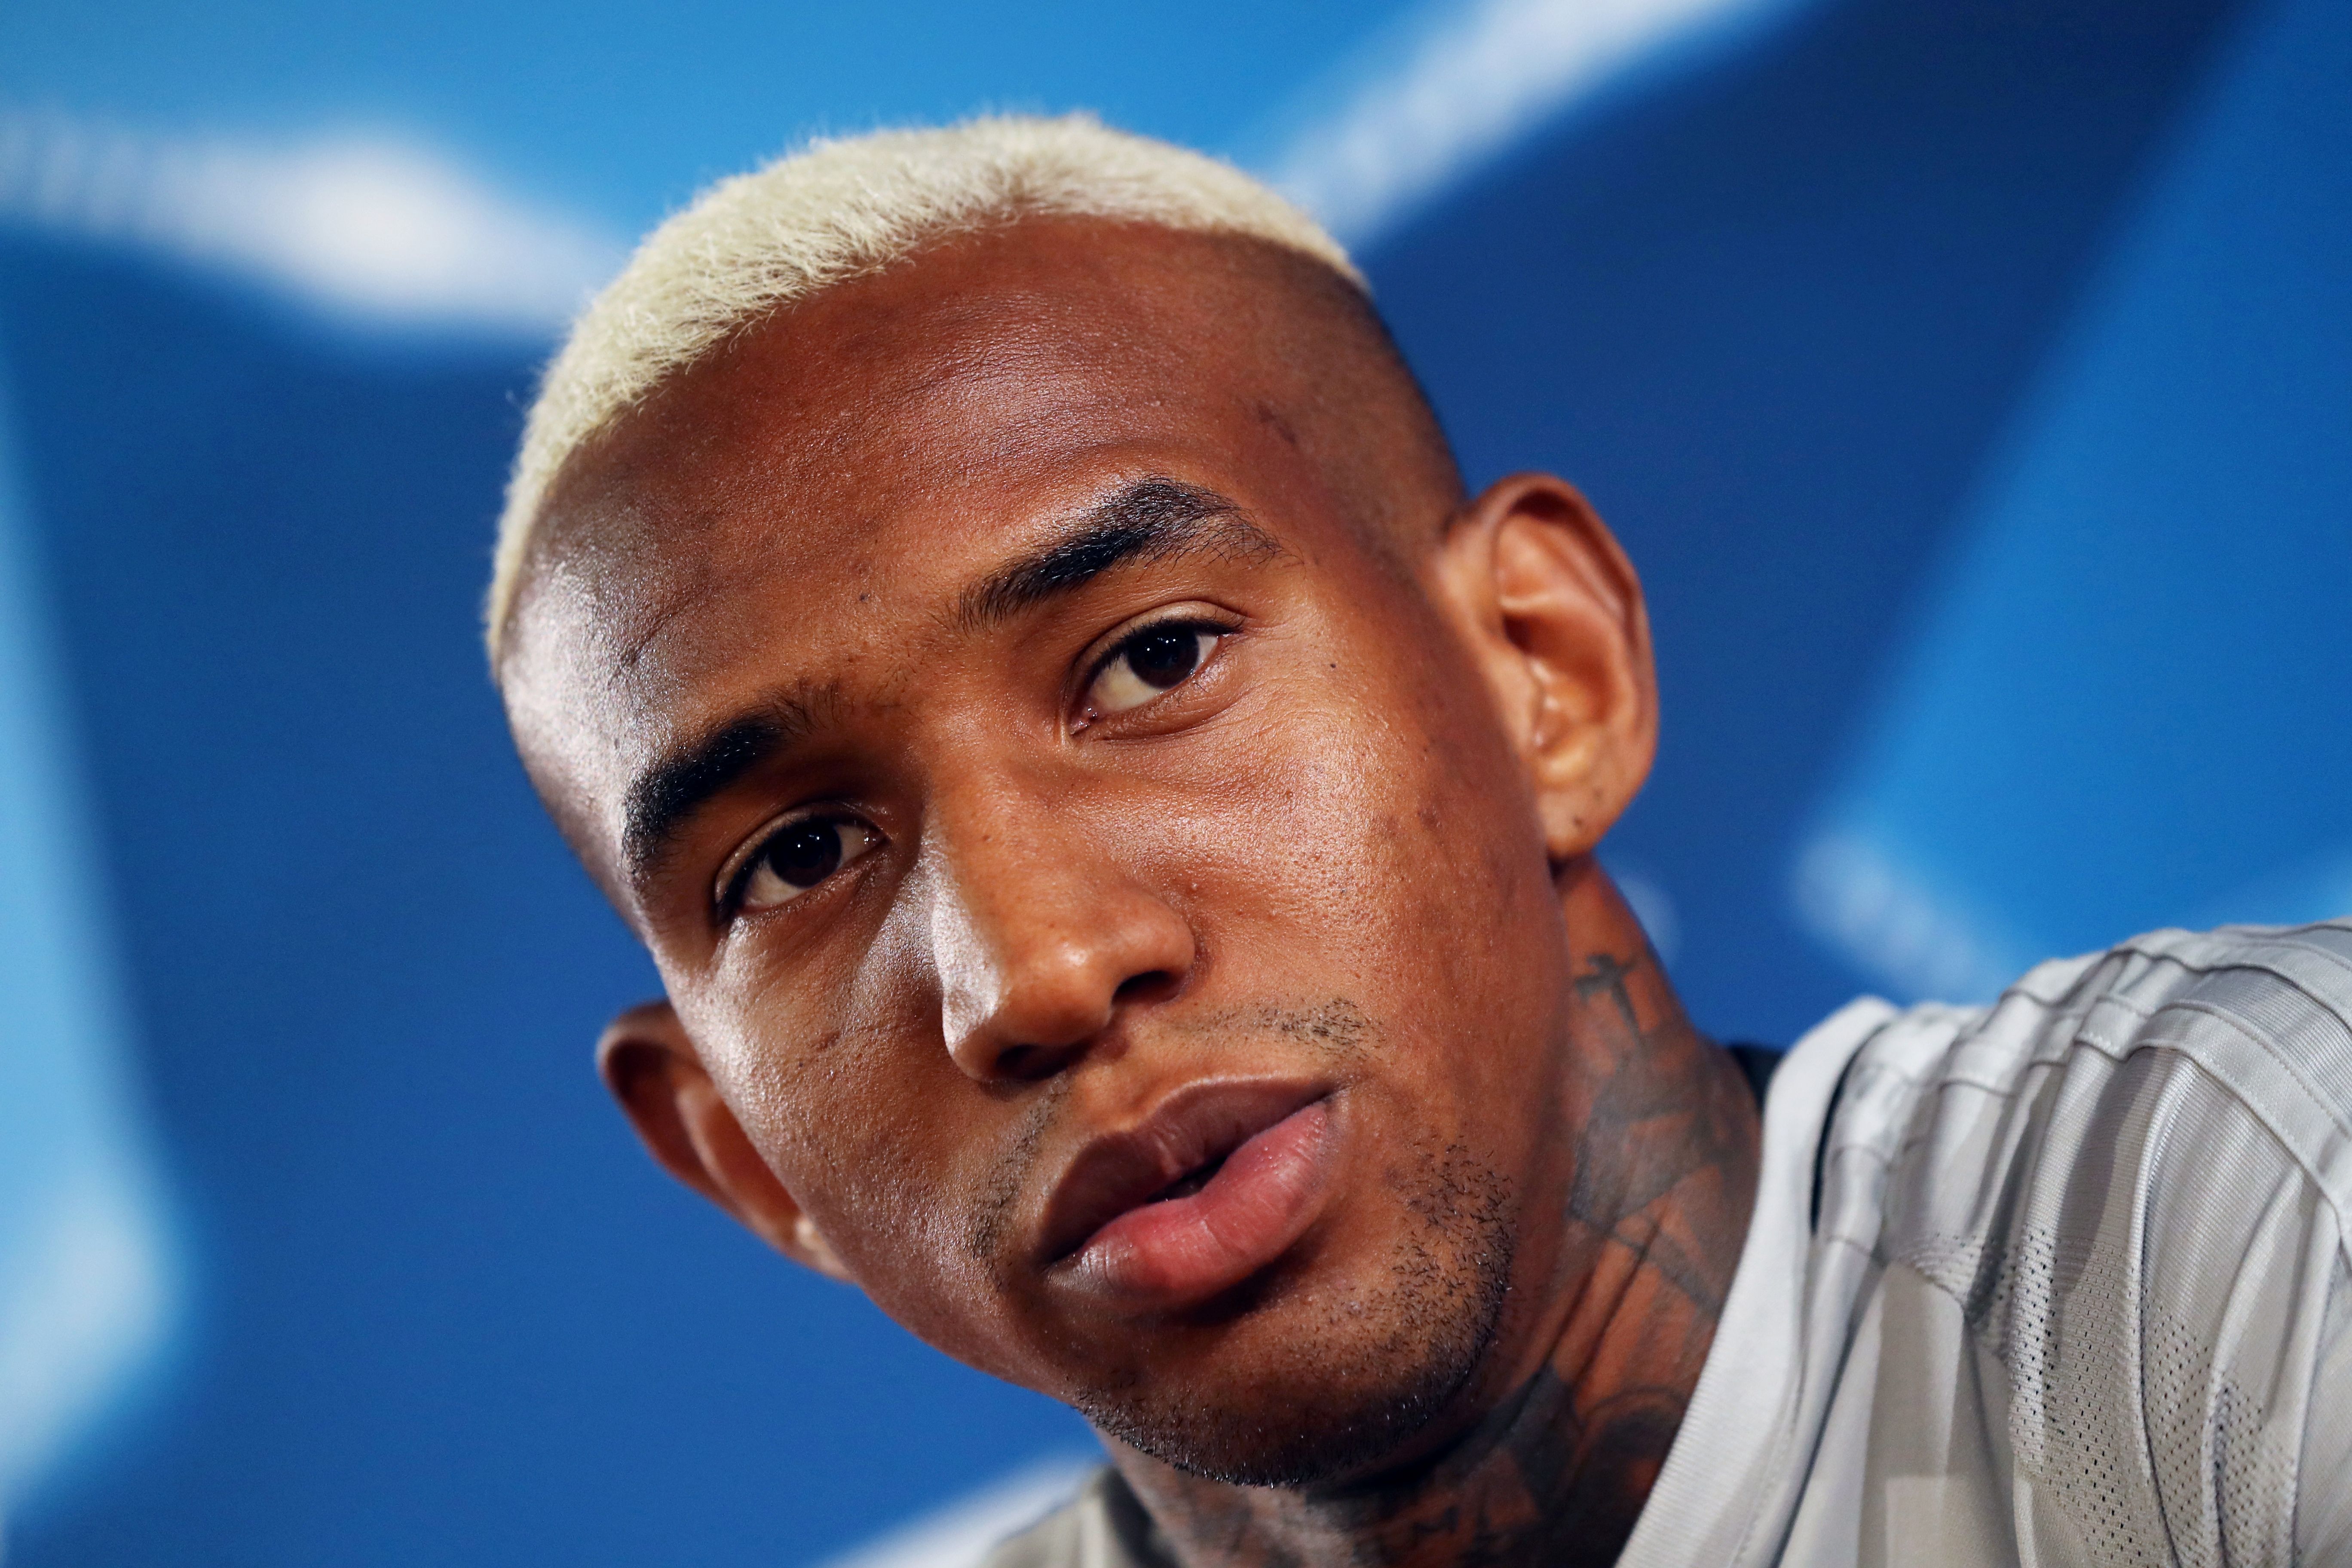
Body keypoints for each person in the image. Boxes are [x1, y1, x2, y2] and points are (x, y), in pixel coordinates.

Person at [485, 116, 2352, 1567]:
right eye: (796, 861)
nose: (1041, 966)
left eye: (1152, 661)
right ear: (742, 1160)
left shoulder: (2259, 1203)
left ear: (1545, 673)